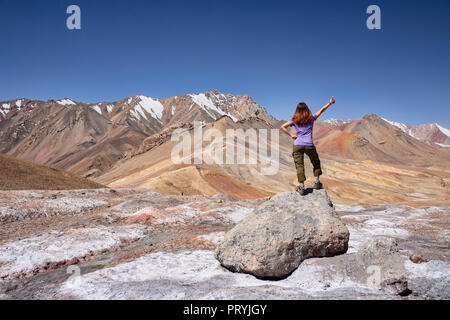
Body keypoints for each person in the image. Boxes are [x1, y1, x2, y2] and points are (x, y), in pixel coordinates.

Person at [281, 97, 335, 195]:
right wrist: (329, 103)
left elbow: (282, 127)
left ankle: (301, 187)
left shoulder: (294, 120)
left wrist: (291, 135)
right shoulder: (311, 119)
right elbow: (321, 111)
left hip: (297, 145)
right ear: (307, 109)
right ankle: (317, 183)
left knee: (299, 165)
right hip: (309, 145)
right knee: (316, 162)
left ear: (297, 110)